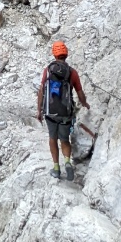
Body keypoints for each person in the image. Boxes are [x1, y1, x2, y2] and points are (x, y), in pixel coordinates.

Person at [37, 40, 89, 180]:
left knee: (52, 138)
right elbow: (80, 93)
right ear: (66, 54)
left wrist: (39, 110)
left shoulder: (48, 71)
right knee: (64, 140)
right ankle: (67, 162)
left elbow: (41, 91)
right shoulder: (72, 73)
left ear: (54, 54)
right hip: (65, 113)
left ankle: (56, 168)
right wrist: (85, 104)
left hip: (50, 112)